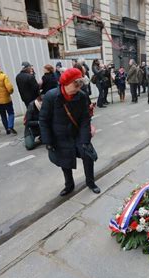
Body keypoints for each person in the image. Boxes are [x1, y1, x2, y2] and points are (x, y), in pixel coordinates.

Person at [39, 68, 101, 196]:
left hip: (78, 133)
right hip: (60, 136)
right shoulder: (51, 96)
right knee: (65, 162)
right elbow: (43, 120)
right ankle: (69, 185)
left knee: (87, 156)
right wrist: (48, 141)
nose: (78, 88)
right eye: (75, 85)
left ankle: (90, 182)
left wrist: (85, 139)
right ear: (65, 83)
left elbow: (85, 118)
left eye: (80, 85)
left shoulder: (82, 96)